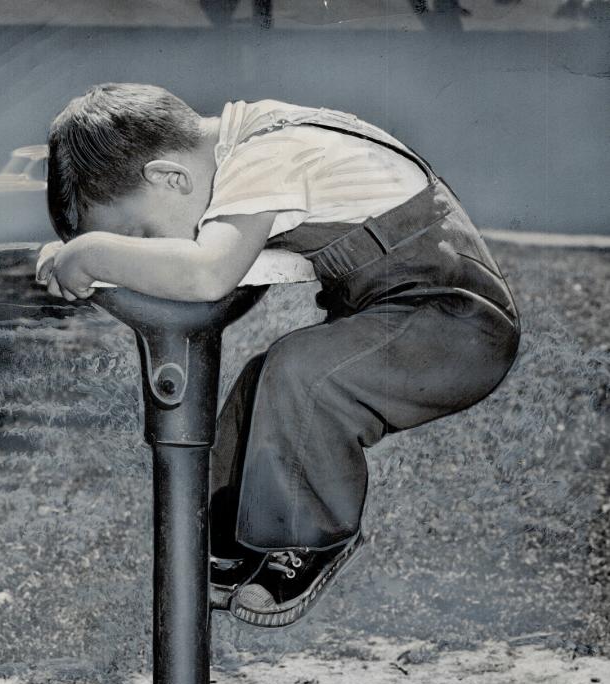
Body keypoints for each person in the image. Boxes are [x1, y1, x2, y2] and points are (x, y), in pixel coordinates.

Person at [37, 83, 520, 628]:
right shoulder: (254, 137)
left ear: (171, 178)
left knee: (301, 374)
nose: (143, 251)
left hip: (455, 322)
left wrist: (95, 252)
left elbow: (207, 272)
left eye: (141, 235)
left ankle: (310, 538)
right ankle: (226, 535)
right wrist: (84, 249)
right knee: (263, 382)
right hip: (406, 314)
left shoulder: (262, 159)